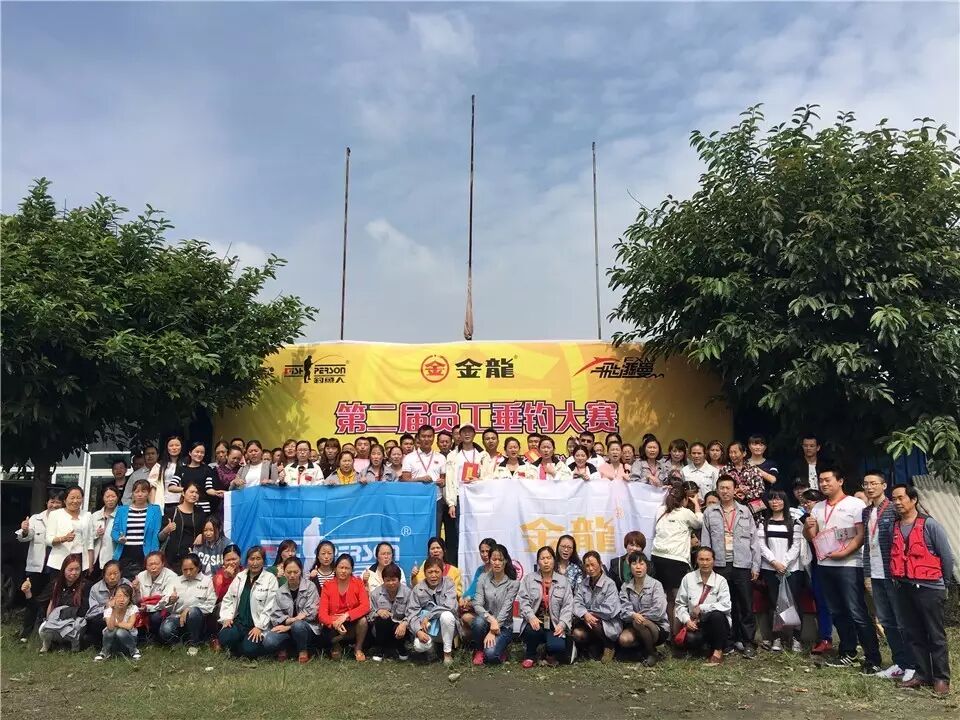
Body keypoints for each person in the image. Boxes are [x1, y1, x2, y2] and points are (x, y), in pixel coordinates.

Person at [802, 467, 881, 673]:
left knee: (856, 611)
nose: (824, 484)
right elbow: (812, 536)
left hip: (849, 565)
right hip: (825, 565)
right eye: (821, 480)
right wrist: (808, 526)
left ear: (840, 481)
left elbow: (861, 534)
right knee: (836, 611)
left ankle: (872, 658)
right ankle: (848, 653)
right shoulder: (818, 507)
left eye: (828, 480)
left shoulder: (855, 504)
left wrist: (844, 552)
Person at [889, 484, 953, 695]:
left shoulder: (930, 525)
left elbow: (946, 556)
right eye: (894, 499)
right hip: (904, 586)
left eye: (901, 498)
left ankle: (941, 678)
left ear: (913, 499)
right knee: (913, 632)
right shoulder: (894, 527)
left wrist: (943, 584)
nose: (897, 502)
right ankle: (922, 674)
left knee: (935, 634)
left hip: (929, 587)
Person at [861, 470, 913, 680]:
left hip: (893, 574)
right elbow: (867, 543)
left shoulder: (893, 508)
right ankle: (899, 662)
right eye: (866, 484)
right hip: (875, 574)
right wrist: (867, 574)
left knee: (902, 620)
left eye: (874, 483)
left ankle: (913, 664)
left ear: (884, 486)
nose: (869, 487)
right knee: (886, 620)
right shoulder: (866, 512)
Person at [700, 475, 757, 658]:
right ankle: (728, 641)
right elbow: (705, 541)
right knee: (725, 604)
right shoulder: (710, 512)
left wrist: (755, 566)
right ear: (718, 490)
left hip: (742, 564)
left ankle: (748, 642)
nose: (725, 491)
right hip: (720, 565)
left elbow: (754, 540)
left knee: (746, 604)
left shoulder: (745, 511)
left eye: (728, 488)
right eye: (722, 488)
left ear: (734, 490)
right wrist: (707, 565)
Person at [754, 490, 804, 653]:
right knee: (773, 603)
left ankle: (796, 638)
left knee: (794, 602)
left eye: (779, 499)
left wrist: (784, 563)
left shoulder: (795, 523)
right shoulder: (763, 523)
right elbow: (761, 546)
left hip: (792, 569)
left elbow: (796, 546)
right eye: (772, 499)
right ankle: (776, 637)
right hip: (770, 568)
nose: (775, 502)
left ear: (785, 501)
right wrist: (774, 562)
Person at [650, 483, 703, 631]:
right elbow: (699, 522)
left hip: (657, 557)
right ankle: (676, 634)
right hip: (676, 559)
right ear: (684, 499)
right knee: (678, 599)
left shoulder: (660, 510)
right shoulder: (685, 512)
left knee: (668, 598)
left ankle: (669, 633)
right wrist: (696, 503)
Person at [16, 487, 65, 641]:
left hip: (55, 566)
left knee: (50, 600)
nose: (54, 505)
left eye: (58, 502)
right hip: (37, 566)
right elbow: (25, 536)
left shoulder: (64, 519)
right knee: (32, 597)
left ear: (63, 504)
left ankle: (45, 633)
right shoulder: (36, 518)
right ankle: (26, 633)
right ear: (47, 502)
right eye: (52, 501)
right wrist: (24, 530)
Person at [218, 545, 279, 658]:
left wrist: (259, 627)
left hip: (256, 625)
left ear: (263, 561)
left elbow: (270, 606)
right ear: (247, 561)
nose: (255, 563)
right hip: (239, 622)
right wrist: (227, 617)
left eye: (258, 559)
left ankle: (241, 649)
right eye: (252, 559)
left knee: (249, 650)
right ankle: (238, 646)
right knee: (224, 637)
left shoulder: (270, 579)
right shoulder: (240, 577)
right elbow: (228, 599)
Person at [518, 546, 573, 668]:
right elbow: (523, 601)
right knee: (530, 631)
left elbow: (568, 606)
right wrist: (531, 617)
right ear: (538, 561)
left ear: (554, 560)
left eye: (549, 558)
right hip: (536, 622)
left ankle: (546, 651)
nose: (546, 561)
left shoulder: (563, 581)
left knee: (557, 647)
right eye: (542, 558)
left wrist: (562, 624)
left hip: (554, 624)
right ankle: (530, 655)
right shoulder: (529, 579)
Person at [676, 547, 732, 666]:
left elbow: (726, 605)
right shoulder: (688, 578)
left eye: (708, 559)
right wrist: (687, 621)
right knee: (691, 640)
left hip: (717, 624)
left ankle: (718, 651)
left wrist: (702, 607)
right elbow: (680, 604)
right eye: (701, 559)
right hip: (696, 624)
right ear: (696, 560)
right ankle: (706, 647)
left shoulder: (721, 581)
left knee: (717, 615)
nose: (705, 563)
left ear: (713, 561)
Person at [444, 423, 488, 565]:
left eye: (470, 431)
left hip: (477, 498)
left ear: (474, 434)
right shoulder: (453, 455)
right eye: (464, 432)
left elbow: (488, 476)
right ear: (459, 435)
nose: (467, 434)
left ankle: (480, 562)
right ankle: (463, 565)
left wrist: (479, 480)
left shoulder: (482, 454)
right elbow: (449, 480)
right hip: (460, 497)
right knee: (461, 532)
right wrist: (451, 503)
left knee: (478, 530)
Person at [263, 557, 321, 663]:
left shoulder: (310, 587)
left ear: (301, 571)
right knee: (269, 641)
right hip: (286, 628)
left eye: (295, 572)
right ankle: (286, 647)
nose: (292, 575)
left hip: (307, 628)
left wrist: (289, 626)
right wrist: (291, 621)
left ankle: (303, 651)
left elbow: (312, 613)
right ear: (284, 573)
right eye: (289, 572)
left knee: (298, 626)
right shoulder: (280, 591)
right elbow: (275, 616)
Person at [470, 544, 519, 665]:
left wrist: (493, 630)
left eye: (500, 560)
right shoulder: (482, 578)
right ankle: (479, 650)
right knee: (478, 622)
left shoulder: (513, 583)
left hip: (504, 626)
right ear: (490, 560)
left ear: (505, 561)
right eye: (494, 559)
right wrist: (491, 619)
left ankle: (500, 649)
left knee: (491, 656)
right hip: (486, 621)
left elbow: (506, 609)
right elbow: (477, 604)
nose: (497, 563)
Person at [406, 556, 460, 665]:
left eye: (437, 572)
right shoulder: (418, 589)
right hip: (427, 629)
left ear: (442, 572)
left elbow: (450, 606)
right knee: (418, 646)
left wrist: (429, 616)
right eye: (430, 572)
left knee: (447, 615)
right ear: (425, 573)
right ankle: (432, 649)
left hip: (448, 627)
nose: (433, 575)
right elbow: (411, 613)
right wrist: (418, 631)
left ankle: (447, 654)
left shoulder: (449, 583)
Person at [158, 552, 216, 654]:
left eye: (191, 569)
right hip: (177, 617)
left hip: (198, 619)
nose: (188, 573)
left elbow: (210, 605)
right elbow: (161, 602)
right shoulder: (175, 581)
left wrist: (189, 609)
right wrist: (170, 600)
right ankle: (179, 644)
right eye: (185, 570)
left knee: (193, 612)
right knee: (166, 629)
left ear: (198, 567)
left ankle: (194, 643)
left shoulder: (207, 581)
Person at [617, 553, 669, 665]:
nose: (638, 567)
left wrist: (640, 616)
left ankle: (651, 653)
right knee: (624, 639)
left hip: (658, 627)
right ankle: (642, 650)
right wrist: (633, 615)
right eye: (634, 564)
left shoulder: (656, 585)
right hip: (634, 625)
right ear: (629, 566)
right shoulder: (625, 586)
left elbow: (659, 611)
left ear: (647, 566)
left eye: (641, 564)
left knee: (639, 622)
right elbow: (623, 610)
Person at [799, 488, 834, 655]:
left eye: (809, 502)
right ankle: (825, 638)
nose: (806, 505)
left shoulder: (830, 516)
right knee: (821, 601)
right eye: (804, 503)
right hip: (815, 564)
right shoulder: (803, 520)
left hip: (836, 561)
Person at [571, 551, 622, 663]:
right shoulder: (583, 584)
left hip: (608, 623)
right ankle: (594, 645)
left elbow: (609, 610)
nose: (590, 568)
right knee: (577, 634)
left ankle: (609, 646)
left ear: (600, 564)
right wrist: (585, 614)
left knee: (593, 622)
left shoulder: (610, 584)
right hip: (587, 621)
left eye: (593, 565)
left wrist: (589, 614)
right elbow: (576, 603)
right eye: (587, 566)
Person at [318, 554, 371, 661]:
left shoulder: (358, 583)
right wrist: (334, 622)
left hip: (352, 623)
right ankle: (336, 645)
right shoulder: (327, 586)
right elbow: (322, 615)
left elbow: (366, 606)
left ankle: (358, 648)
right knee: (335, 657)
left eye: (347, 568)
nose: (343, 571)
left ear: (351, 570)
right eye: (341, 567)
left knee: (363, 621)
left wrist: (346, 615)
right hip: (334, 625)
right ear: (335, 569)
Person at [112, 479, 163, 579]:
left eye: (143, 491)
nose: (140, 494)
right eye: (137, 491)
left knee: (144, 582)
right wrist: (119, 538)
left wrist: (154, 555)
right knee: (123, 582)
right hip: (125, 551)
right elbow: (114, 531)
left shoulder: (155, 510)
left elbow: (155, 535)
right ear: (132, 494)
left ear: (148, 493)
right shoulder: (122, 510)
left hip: (145, 552)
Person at [37, 554, 89, 653]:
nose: (74, 573)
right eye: (70, 569)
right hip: (56, 619)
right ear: (63, 570)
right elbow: (46, 604)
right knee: (43, 629)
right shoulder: (55, 584)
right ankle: (49, 644)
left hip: (74, 621)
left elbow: (84, 610)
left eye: (77, 569)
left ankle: (70, 646)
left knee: (76, 627)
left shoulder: (85, 585)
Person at [401, 425, 447, 536]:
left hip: (436, 500)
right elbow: (405, 481)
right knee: (416, 531)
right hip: (416, 500)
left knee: (435, 532)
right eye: (423, 436)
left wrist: (442, 483)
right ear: (418, 438)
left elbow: (443, 480)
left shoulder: (441, 457)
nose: (426, 439)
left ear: (433, 438)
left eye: (429, 436)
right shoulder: (409, 458)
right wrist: (420, 479)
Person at [45, 484, 95, 574]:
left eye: (78, 498)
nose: (75, 501)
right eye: (72, 498)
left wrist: (90, 564)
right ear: (65, 500)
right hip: (59, 562)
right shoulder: (55, 515)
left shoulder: (87, 515)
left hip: (81, 561)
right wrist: (64, 538)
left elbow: (90, 542)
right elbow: (48, 540)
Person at [367, 562, 411, 661]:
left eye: (394, 580)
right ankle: (379, 649)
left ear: (399, 579)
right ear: (383, 580)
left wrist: (404, 623)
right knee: (382, 620)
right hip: (381, 630)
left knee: (402, 625)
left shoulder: (408, 593)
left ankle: (401, 647)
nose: (391, 583)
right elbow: (369, 614)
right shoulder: (375, 594)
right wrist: (377, 612)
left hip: (401, 629)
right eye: (388, 580)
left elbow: (412, 613)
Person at [159, 480, 207, 573]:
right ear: (183, 493)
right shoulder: (171, 511)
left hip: (193, 557)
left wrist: (202, 535)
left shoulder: (200, 512)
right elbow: (160, 537)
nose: (194, 495)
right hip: (173, 559)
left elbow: (207, 530)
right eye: (191, 492)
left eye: (197, 493)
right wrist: (166, 530)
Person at [85, 560, 130, 649]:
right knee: (95, 623)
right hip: (104, 618)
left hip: (123, 614)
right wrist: (106, 607)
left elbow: (133, 603)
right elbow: (91, 613)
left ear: (120, 573)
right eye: (109, 574)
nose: (112, 577)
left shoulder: (126, 584)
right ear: (103, 575)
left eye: (115, 574)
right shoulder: (95, 588)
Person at [133, 551, 179, 639]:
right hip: (143, 609)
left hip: (164, 610)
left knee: (156, 617)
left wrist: (147, 608)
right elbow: (137, 601)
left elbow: (166, 601)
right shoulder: (141, 576)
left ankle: (157, 637)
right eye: (150, 565)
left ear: (163, 564)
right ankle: (143, 636)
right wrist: (136, 590)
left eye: (156, 564)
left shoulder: (171, 576)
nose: (153, 567)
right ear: (146, 566)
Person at [95, 584, 139, 661]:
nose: (122, 599)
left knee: (120, 632)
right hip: (113, 642)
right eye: (119, 596)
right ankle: (104, 652)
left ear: (130, 599)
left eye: (126, 596)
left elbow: (129, 626)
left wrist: (117, 624)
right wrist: (113, 610)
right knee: (110, 631)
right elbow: (110, 627)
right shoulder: (109, 610)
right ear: (114, 597)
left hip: (129, 639)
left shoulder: (132, 608)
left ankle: (134, 651)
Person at [722, 441, 766, 513]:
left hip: (753, 510)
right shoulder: (725, 470)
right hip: (731, 509)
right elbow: (720, 489)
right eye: (730, 452)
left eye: (735, 452)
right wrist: (735, 492)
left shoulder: (753, 469)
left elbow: (761, 490)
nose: (732, 455)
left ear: (744, 453)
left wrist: (746, 494)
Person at [149, 435, 186, 511]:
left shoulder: (186, 464)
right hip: (163, 502)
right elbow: (153, 486)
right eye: (171, 445)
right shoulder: (159, 465)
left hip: (183, 502)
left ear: (181, 447)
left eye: (177, 445)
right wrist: (152, 506)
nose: (174, 448)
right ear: (167, 448)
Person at [91, 485, 121, 579]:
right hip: (95, 557)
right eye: (107, 497)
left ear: (118, 497)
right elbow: (87, 537)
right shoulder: (95, 515)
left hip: (112, 557)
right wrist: (96, 534)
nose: (110, 499)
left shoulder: (121, 515)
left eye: (113, 496)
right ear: (103, 498)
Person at [210, 446, 242, 517]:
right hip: (220, 506)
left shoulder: (242, 470)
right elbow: (216, 489)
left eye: (238, 459)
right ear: (227, 456)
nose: (236, 461)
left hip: (237, 505)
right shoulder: (217, 470)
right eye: (234, 458)